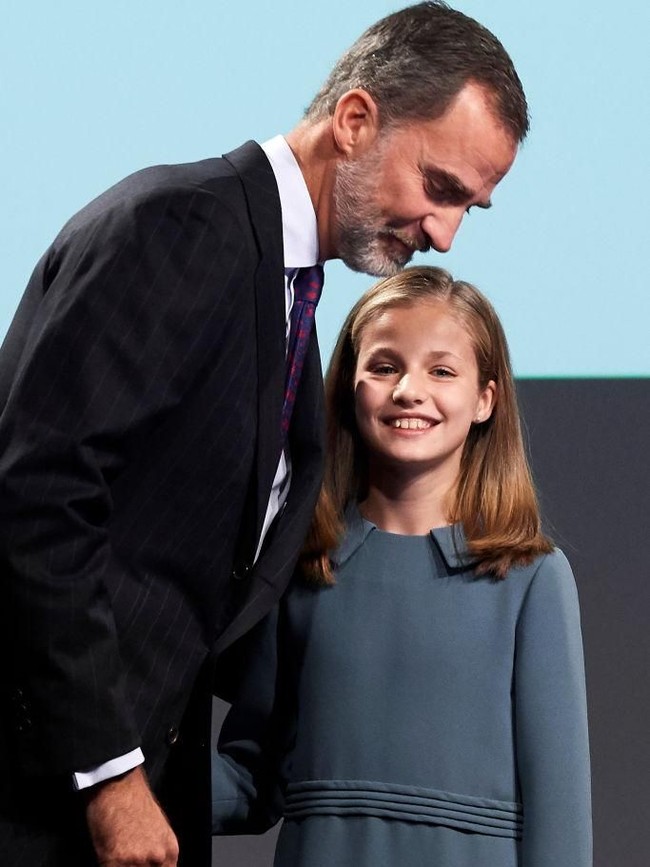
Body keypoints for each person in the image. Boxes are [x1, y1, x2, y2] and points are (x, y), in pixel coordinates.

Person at [0, 3, 528, 866]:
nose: (446, 234)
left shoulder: (290, 299)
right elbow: (37, 500)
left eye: (472, 207)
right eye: (440, 188)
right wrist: (111, 779)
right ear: (356, 120)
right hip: (49, 801)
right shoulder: (178, 229)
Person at [212, 266, 592, 866]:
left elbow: (560, 821)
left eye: (442, 370)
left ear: (485, 399)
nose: (409, 390)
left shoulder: (531, 579)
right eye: (385, 366)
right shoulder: (302, 568)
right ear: (348, 388)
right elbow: (250, 778)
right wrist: (108, 765)